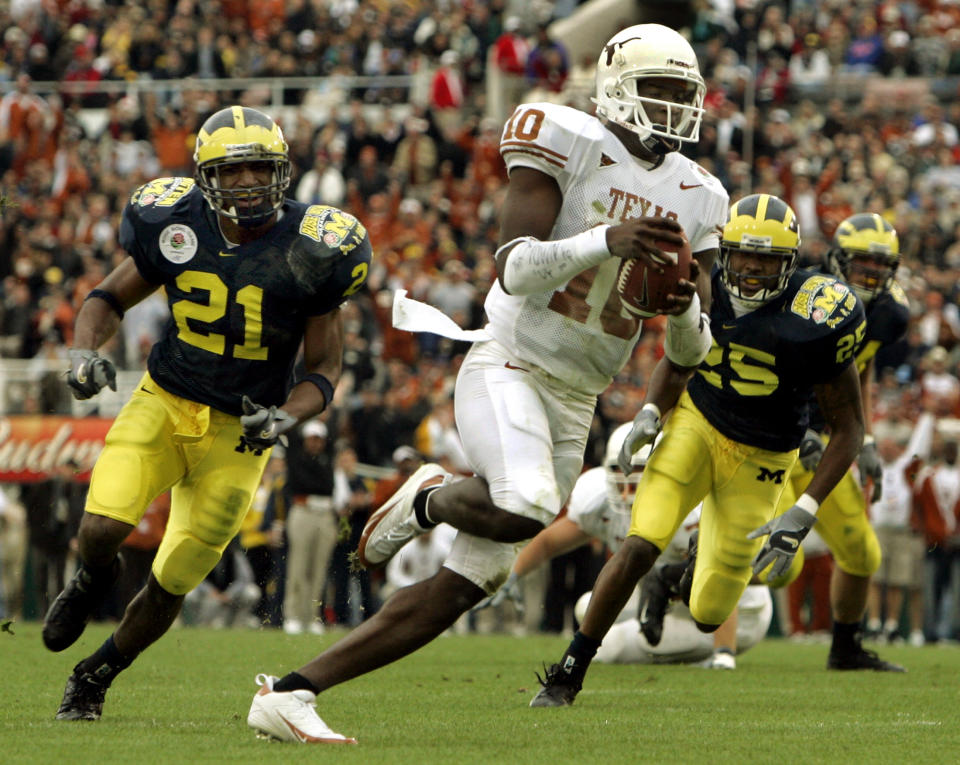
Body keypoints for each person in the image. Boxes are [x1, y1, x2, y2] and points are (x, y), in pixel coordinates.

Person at [246, 24, 724, 743]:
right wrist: (606, 239)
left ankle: (291, 692)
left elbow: (692, 349)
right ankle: (431, 497)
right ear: (618, 88)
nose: (672, 108)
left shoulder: (700, 194)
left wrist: (685, 301)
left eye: (681, 95)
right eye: (657, 89)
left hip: (578, 393)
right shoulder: (565, 136)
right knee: (529, 502)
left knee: (472, 582)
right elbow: (514, 265)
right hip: (510, 358)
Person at [42, 105, 372, 722]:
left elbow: (326, 366)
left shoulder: (314, 245)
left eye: (258, 167)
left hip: (241, 432)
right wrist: (83, 351)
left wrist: (285, 416)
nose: (247, 181)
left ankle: (95, 675)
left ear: (282, 170)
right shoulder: (174, 220)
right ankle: (89, 578)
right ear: (204, 176)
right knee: (103, 527)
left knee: (174, 577)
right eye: (233, 169)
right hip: (164, 401)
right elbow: (108, 296)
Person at [529, 193, 867, 707]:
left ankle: (675, 575)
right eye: (744, 255)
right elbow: (680, 358)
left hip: (765, 457)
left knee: (709, 612)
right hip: (699, 426)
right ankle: (568, 672)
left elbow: (850, 428)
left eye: (767, 259)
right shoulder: (701, 284)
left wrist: (805, 508)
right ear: (724, 250)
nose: (751, 269)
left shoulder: (821, 313)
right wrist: (650, 411)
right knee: (641, 540)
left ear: (791, 263)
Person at [478, 424, 772, 668]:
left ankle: (708, 652)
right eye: (621, 475)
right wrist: (511, 573)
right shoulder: (599, 499)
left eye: (639, 475)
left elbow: (721, 578)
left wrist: (724, 654)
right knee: (587, 608)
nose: (629, 490)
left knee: (612, 648)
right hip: (668, 604)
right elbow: (548, 543)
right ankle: (683, 651)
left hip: (733, 612)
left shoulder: (689, 510)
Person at [773, 213, 910, 670]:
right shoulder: (803, 294)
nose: (871, 275)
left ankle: (845, 648)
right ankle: (676, 579)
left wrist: (863, 435)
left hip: (825, 447)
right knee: (768, 562)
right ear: (837, 260)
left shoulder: (890, 314)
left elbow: (862, 368)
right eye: (862, 265)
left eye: (879, 266)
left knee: (861, 553)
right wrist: (799, 428)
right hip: (769, 437)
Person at [281, 419, 337, 635]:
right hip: (303, 511)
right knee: (299, 565)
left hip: (325, 515)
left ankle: (313, 616)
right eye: (312, 439)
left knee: (319, 569)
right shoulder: (296, 457)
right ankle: (293, 615)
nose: (316, 443)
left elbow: (327, 487)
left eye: (320, 439)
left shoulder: (326, 460)